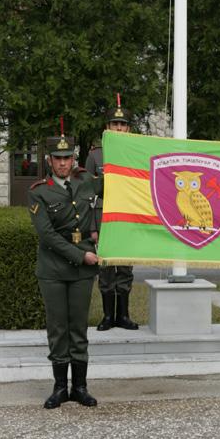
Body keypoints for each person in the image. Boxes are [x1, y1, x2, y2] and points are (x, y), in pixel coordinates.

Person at [28, 133, 100, 409]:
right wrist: (82, 256)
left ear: (74, 159)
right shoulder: (38, 191)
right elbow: (47, 236)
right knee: (58, 329)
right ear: (49, 160)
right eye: (57, 159)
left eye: (67, 158)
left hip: (82, 272)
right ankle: (60, 388)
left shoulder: (87, 182)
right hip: (54, 271)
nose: (62, 163)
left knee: (78, 328)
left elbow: (120, 185)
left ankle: (80, 387)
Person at [86, 101, 139, 331]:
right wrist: (92, 227)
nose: (119, 128)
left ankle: (123, 315)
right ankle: (108, 316)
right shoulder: (96, 156)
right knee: (106, 268)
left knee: (125, 267)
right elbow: (87, 196)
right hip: (104, 216)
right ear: (107, 127)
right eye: (115, 123)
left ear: (129, 129)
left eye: (123, 124)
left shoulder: (136, 154)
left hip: (127, 217)